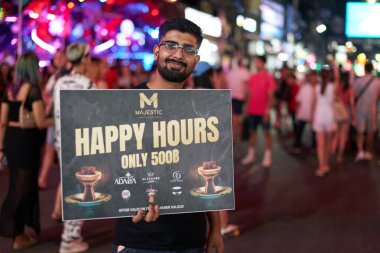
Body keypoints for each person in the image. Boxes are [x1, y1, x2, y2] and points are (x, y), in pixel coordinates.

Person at [114, 18, 224, 253]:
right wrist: (126, 203)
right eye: (170, 45)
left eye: (188, 49)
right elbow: (114, 168)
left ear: (196, 60)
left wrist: (215, 227)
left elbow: (204, 169)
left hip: (191, 238)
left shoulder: (200, 109)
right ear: (157, 51)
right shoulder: (126, 105)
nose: (178, 54)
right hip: (139, 239)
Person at [0, 52, 54, 249]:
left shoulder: (10, 90)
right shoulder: (32, 91)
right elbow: (41, 122)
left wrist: (0, 148)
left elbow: (3, 122)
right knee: (22, 188)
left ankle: (19, 232)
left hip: (12, 141)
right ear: (32, 68)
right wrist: (58, 119)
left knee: (18, 184)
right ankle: (14, 232)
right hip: (26, 143)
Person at [53, 43, 93, 253]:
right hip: (81, 143)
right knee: (81, 188)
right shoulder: (87, 83)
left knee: (69, 185)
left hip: (62, 142)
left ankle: (69, 236)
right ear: (84, 58)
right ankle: (69, 239)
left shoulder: (59, 81)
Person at [241, 55, 275, 168]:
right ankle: (251, 155)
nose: (256, 64)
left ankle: (268, 156)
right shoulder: (253, 76)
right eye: (255, 62)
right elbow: (249, 93)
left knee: (267, 133)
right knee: (252, 132)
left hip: (263, 111)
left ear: (263, 63)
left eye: (257, 62)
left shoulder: (268, 77)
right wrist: (246, 107)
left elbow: (270, 95)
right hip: (252, 110)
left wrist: (268, 110)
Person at [353, 62, 380, 162]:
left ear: (364, 69)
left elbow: (354, 94)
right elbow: (378, 97)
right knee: (370, 132)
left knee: (360, 132)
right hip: (372, 109)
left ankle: (360, 151)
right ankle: (368, 151)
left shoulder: (359, 81)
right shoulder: (377, 82)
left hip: (360, 109)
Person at [311, 69, 336, 177]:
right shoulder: (333, 87)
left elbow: (313, 104)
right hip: (329, 115)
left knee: (320, 144)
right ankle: (326, 164)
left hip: (319, 115)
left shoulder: (316, 88)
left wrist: (311, 117)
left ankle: (321, 166)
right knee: (327, 143)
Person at [225, 59, 250, 143]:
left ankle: (234, 136)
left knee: (233, 117)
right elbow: (247, 87)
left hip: (231, 96)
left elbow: (226, 84)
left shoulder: (231, 72)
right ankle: (237, 135)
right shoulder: (245, 72)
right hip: (240, 97)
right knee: (239, 118)